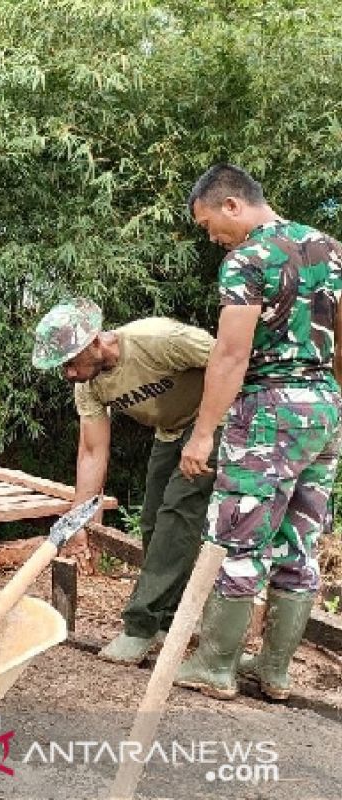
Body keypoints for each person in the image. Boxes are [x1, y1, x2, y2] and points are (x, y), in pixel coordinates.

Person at [175, 163, 342, 701]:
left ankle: (216, 665)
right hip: (323, 407)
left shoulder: (245, 259)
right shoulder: (328, 248)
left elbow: (230, 354)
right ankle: (274, 672)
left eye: (207, 224)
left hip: (268, 412)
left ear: (232, 205)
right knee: (300, 542)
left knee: (238, 537)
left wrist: (204, 433)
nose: (211, 236)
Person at [32, 298, 219, 665]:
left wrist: (210, 430)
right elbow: (91, 451)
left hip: (214, 423)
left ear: (94, 343)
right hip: (170, 431)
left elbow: (229, 361)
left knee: (178, 514)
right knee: (152, 521)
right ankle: (168, 620)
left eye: (70, 362)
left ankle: (140, 627)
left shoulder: (159, 340)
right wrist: (79, 522)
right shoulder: (88, 385)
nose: (67, 373)